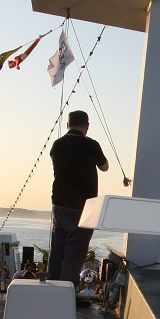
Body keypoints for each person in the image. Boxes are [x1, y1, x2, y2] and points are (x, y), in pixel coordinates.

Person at [48, 110, 109, 284]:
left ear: (68, 124)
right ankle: (66, 292)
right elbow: (104, 167)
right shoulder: (91, 145)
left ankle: (52, 287)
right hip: (83, 207)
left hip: (59, 204)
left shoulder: (57, 145)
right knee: (74, 254)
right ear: (87, 126)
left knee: (57, 250)